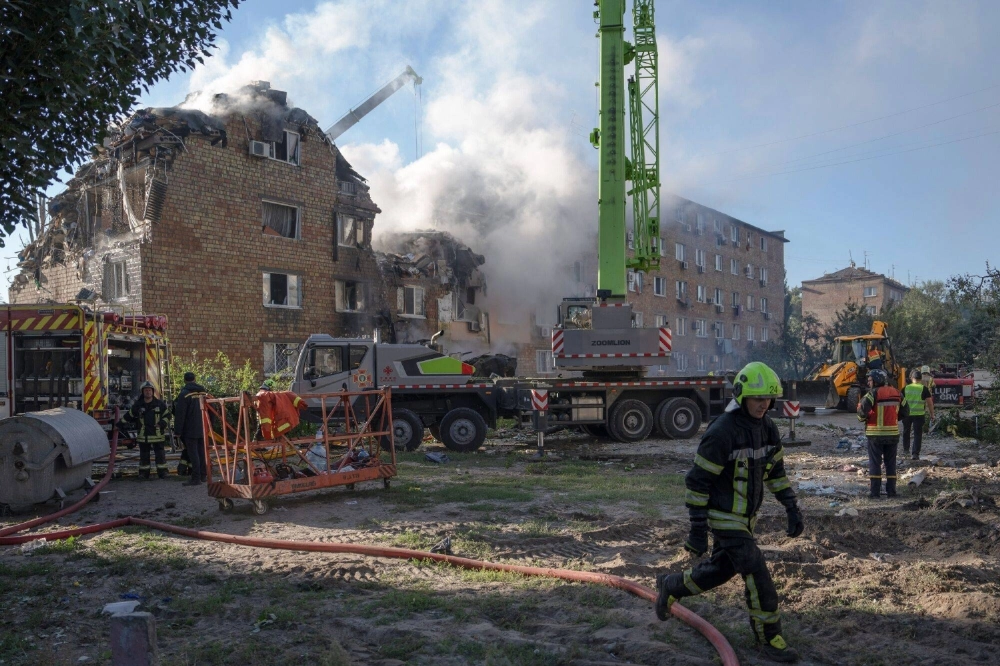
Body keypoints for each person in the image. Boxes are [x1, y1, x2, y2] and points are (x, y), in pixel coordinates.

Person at [655, 362, 803, 663]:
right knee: (755, 569)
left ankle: (671, 585)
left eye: (768, 399)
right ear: (741, 396)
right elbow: (697, 481)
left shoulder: (768, 428)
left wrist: (791, 505)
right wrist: (697, 529)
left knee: (722, 569)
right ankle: (769, 637)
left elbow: (775, 472)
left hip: (747, 520)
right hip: (723, 516)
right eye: (757, 398)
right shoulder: (722, 431)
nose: (764, 404)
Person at [857, 369, 909, 498]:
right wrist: (893, 419)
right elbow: (906, 411)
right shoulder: (897, 393)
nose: (869, 383)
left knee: (875, 463)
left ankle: (875, 493)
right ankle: (891, 492)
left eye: (870, 380)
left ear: (876, 381)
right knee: (890, 464)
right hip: (893, 434)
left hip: (875, 435)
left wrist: (864, 418)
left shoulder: (872, 394)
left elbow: (862, 412)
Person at [125, 381, 170, 479]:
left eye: (149, 390)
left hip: (157, 435)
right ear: (143, 392)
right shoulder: (138, 405)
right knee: (144, 456)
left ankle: (163, 473)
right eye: (146, 390)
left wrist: (161, 423)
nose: (148, 392)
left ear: (153, 391)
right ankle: (144, 474)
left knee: (160, 455)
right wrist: (119, 425)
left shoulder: (160, 404)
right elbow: (129, 415)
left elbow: (167, 415)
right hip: (143, 436)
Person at [174, 371, 209, 486]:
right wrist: (209, 426)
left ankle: (196, 478)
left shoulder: (184, 394)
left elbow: (180, 414)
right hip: (203, 427)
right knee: (202, 452)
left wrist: (178, 431)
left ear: (185, 380)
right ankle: (203, 476)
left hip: (190, 429)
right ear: (195, 379)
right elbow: (212, 409)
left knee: (193, 453)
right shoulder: (204, 393)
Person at [902, 370, 934, 460]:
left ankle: (905, 450)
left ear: (912, 378)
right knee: (917, 434)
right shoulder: (924, 389)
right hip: (919, 415)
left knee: (906, 432)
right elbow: (930, 403)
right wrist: (932, 414)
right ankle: (915, 454)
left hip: (907, 414)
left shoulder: (906, 388)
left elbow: (900, 402)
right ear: (921, 379)